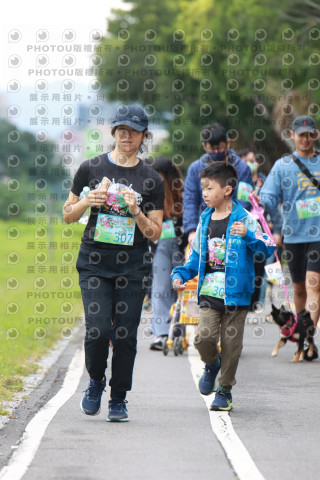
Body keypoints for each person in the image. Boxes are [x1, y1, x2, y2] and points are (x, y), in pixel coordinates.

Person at [63, 105, 164, 422]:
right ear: (114, 132)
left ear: (142, 136)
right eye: (121, 129)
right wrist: (87, 201)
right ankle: (95, 381)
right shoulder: (90, 168)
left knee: (124, 335)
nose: (126, 136)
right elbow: (67, 215)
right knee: (98, 330)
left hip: (133, 266)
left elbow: (155, 232)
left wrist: (136, 211)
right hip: (94, 262)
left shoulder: (151, 179)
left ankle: (118, 398)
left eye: (133, 131)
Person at [172, 162, 275, 411]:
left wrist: (249, 236)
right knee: (203, 337)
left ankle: (225, 390)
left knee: (232, 345)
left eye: (209, 188)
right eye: (203, 188)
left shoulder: (244, 219)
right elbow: (195, 257)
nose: (204, 193)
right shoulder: (204, 220)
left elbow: (267, 247)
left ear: (227, 190)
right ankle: (211, 363)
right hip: (208, 292)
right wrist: (180, 273)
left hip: (237, 296)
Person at [259, 115, 320, 330]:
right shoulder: (282, 166)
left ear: (316, 135)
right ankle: (301, 331)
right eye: (301, 135)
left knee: (315, 284)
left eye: (310, 134)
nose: (305, 139)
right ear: (292, 135)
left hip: (318, 236)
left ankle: (308, 339)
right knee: (300, 288)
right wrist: (259, 200)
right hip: (294, 235)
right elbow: (268, 197)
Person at [183, 122, 253, 246]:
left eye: (220, 148)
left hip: (234, 229)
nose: (216, 151)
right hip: (204, 229)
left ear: (228, 143)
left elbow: (244, 201)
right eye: (212, 148)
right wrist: (192, 230)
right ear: (204, 146)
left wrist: (234, 227)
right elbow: (190, 201)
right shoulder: (195, 169)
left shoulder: (243, 169)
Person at [149, 156, 187, 350]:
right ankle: (160, 333)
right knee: (161, 286)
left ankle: (177, 329)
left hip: (182, 246)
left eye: (158, 176)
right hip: (161, 246)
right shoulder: (151, 194)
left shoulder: (183, 194)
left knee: (181, 288)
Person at [238, 148, 283, 310]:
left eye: (252, 161)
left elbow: (275, 211)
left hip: (264, 236)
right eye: (245, 162)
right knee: (246, 270)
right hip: (243, 235)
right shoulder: (238, 184)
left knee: (264, 272)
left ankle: (258, 305)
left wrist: (277, 231)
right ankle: (246, 303)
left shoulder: (265, 184)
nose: (250, 165)